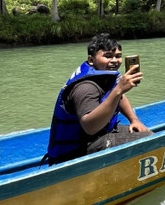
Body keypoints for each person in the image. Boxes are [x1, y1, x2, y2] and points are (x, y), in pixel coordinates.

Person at [47, 32, 152, 165]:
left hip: (98, 134)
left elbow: (118, 96)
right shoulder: (85, 88)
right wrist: (119, 89)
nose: (114, 61)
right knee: (147, 138)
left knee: (144, 132)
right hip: (76, 151)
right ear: (91, 60)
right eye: (108, 56)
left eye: (118, 56)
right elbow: (90, 127)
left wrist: (134, 119)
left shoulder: (104, 74)